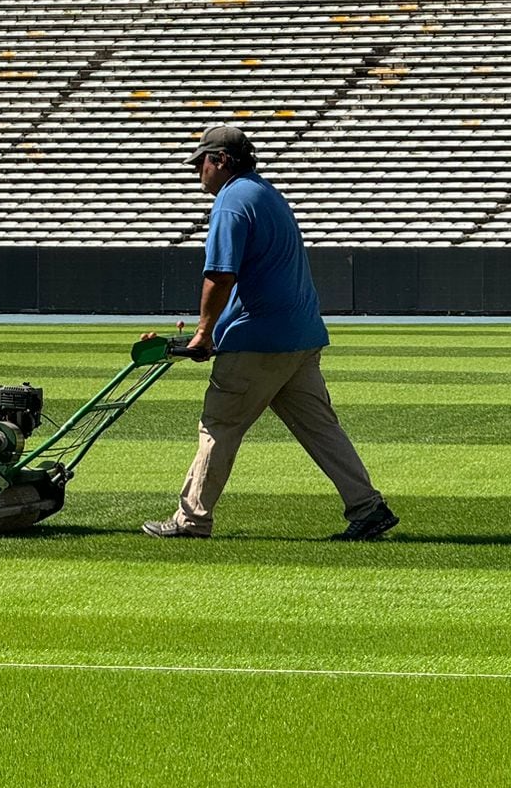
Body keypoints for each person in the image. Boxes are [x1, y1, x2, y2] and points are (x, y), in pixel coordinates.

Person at [142, 124, 398, 542]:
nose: (197, 172)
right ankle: (368, 507)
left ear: (220, 161)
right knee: (320, 428)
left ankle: (192, 520)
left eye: (201, 162)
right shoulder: (267, 194)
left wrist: (204, 333)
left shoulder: (230, 202)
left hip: (256, 338)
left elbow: (220, 275)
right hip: (300, 335)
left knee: (219, 425)